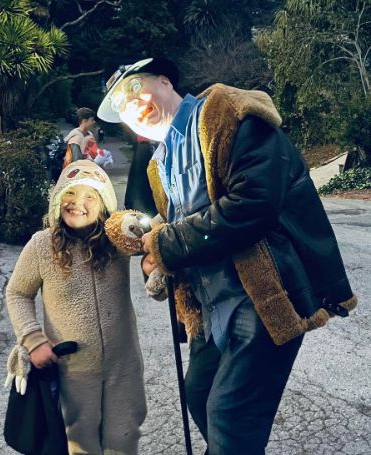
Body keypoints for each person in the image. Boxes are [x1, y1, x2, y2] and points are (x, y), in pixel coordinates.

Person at [97, 57, 357, 454]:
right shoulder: (159, 163)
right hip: (209, 309)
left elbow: (253, 204)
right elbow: (177, 229)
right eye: (121, 107)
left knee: (229, 416)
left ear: (165, 80)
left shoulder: (226, 112)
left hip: (263, 298)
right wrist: (156, 255)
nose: (131, 106)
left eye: (135, 90)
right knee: (200, 396)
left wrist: (166, 245)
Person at [5, 159, 147, 454]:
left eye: (89, 196)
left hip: (123, 365)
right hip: (73, 370)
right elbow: (18, 292)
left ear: (104, 203)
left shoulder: (115, 241)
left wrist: (146, 243)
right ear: (58, 199)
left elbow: (146, 234)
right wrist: (32, 339)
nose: (77, 203)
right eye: (70, 194)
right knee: (80, 442)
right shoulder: (42, 245)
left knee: (124, 436)